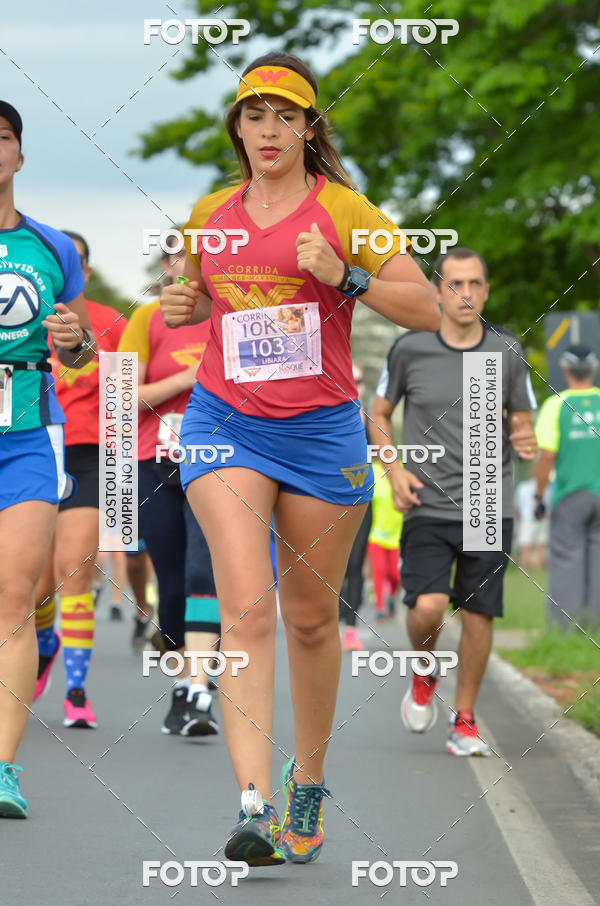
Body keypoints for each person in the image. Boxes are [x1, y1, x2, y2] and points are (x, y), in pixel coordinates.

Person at [160, 52, 439, 866]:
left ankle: (306, 782)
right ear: (238, 128)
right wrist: (185, 302)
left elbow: (426, 306)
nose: (270, 129)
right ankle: (253, 804)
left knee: (311, 620)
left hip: (320, 432)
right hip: (225, 422)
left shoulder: (346, 209)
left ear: (310, 128)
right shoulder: (210, 214)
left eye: (286, 115)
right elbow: (197, 301)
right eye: (255, 115)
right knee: (247, 610)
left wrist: (345, 275)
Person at [370, 246, 537, 756]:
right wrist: (394, 470)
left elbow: (521, 418)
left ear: (486, 290)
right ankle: (425, 669)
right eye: (455, 284)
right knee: (427, 606)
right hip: (427, 500)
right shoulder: (410, 348)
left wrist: (524, 435)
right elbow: (378, 413)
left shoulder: (505, 350)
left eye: (474, 284)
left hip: (488, 501)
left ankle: (464, 720)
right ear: (437, 292)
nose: (466, 294)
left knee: (479, 614)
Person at [0, 102, 96, 816]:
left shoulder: (52, 247)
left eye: (2, 138)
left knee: (15, 597)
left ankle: (3, 769)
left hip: (28, 435)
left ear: (20, 156)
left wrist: (72, 341)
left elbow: (82, 350)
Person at [118, 241, 221, 736]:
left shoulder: (229, 314)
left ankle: (199, 691)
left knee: (204, 571)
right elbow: (122, 397)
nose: (195, 266)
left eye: (205, 256)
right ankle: (183, 682)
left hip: (216, 461)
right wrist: (189, 377)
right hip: (154, 462)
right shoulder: (147, 317)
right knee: (173, 581)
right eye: (184, 257)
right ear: (167, 265)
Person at [33, 231, 130, 728]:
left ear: (83, 272)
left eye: (76, 260)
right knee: (34, 588)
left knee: (73, 572)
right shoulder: (17, 318)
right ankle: (43, 642)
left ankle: (75, 691)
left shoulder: (113, 323)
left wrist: (124, 489)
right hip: (29, 453)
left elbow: (125, 402)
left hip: (88, 457)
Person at [534, 344, 600, 627]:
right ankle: (595, 627)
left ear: (565, 369)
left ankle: (563, 631)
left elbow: (547, 455)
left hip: (570, 494)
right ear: (594, 368)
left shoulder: (555, 405)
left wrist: (539, 495)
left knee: (566, 560)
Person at [339, 365, 372, 651]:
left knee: (355, 564)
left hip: (361, 499)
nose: (355, 385)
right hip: (328, 499)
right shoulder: (328, 416)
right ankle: (331, 616)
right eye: (350, 379)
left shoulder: (371, 421)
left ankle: (351, 627)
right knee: (332, 564)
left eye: (359, 380)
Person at [367, 459, 403, 619]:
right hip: (377, 533)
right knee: (380, 570)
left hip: (397, 535)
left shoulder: (400, 468)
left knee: (395, 574)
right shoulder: (373, 471)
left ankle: (392, 598)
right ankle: (379, 606)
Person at [514, 472, 549, 570]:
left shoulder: (523, 487)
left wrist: (516, 519)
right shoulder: (546, 487)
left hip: (527, 518)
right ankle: (539, 568)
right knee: (540, 545)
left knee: (526, 546)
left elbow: (517, 504)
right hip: (541, 518)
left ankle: (525, 569)